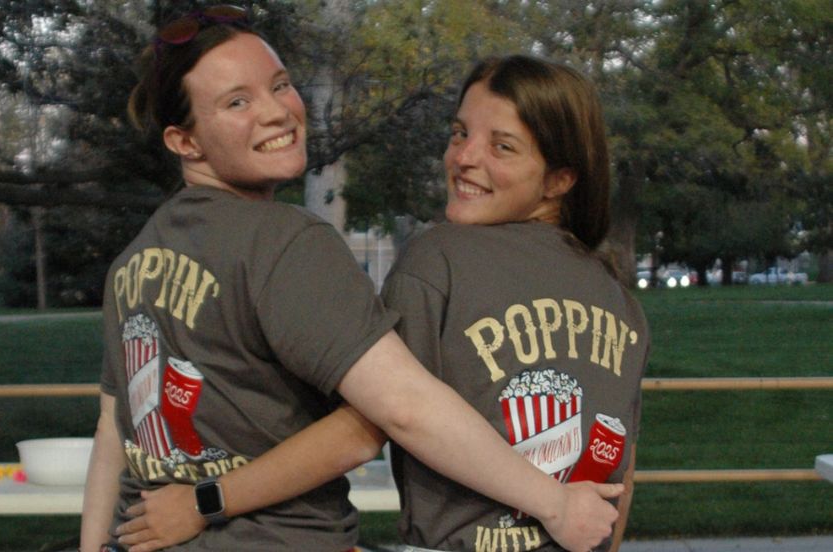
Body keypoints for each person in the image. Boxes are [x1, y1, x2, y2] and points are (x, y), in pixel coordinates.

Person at [81, 7, 622, 551]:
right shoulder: (284, 242)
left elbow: (112, 432)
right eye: (237, 102)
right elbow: (393, 414)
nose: (276, 112)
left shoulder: (133, 259)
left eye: (280, 85)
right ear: (184, 142)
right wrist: (555, 504)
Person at [380, 55, 651, 552]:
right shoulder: (620, 301)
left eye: (502, 147)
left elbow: (387, 416)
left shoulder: (436, 260)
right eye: (460, 133)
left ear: (559, 179)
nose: (464, 158)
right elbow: (620, 478)